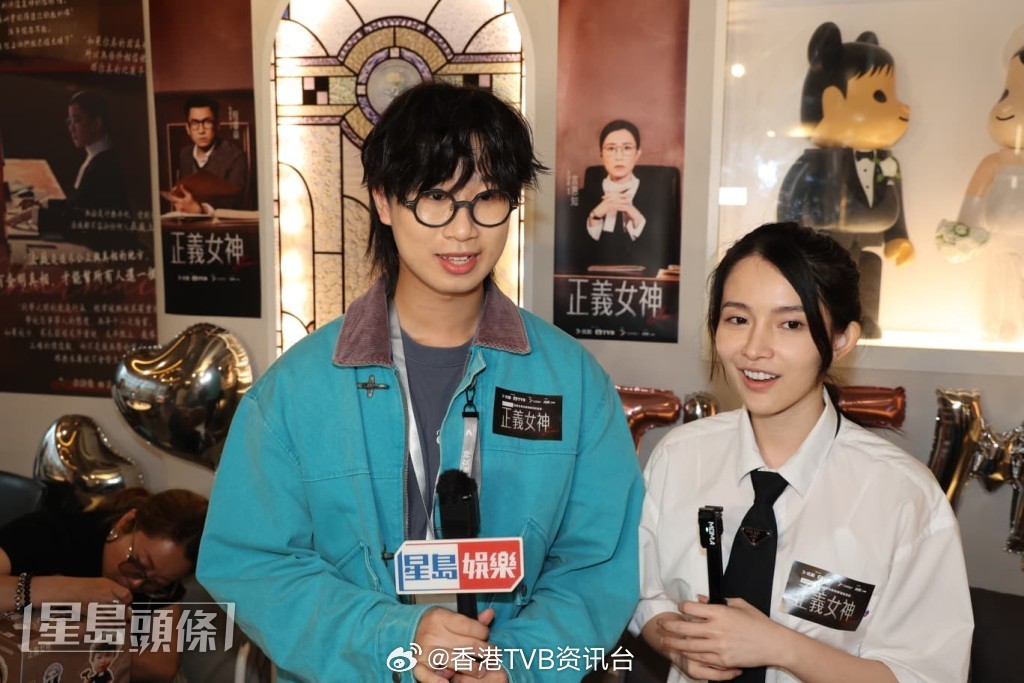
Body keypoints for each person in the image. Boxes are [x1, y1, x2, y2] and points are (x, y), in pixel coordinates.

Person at [197, 81, 643, 682]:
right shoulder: (296, 390)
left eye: (488, 198)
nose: (463, 230)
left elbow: (599, 564)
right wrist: (395, 638)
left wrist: (514, 664)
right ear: (383, 201)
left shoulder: (573, 382)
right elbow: (251, 563)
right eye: (435, 197)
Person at [631, 222, 972, 682]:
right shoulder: (680, 456)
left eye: (791, 324)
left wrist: (780, 646)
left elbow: (927, 675)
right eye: (737, 319)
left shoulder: (902, 495)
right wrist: (678, 645)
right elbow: (646, 595)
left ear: (841, 340)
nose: (755, 349)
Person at [777, 22, 915, 339]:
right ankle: (830, 322)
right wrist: (786, 238)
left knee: (869, 270)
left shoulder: (886, 163)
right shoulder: (815, 163)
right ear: (832, 102)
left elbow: (897, 201)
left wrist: (898, 236)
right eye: (881, 96)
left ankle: (865, 320)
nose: (902, 108)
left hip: (870, 237)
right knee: (831, 276)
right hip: (829, 237)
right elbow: (791, 197)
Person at [0, 487, 209, 683]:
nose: (136, 583)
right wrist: (68, 590)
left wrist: (89, 644)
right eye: (137, 563)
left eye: (155, 583)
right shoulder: (49, 532)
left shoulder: (161, 590)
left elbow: (161, 666)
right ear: (126, 523)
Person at [572, 120, 680, 276]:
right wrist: (595, 216)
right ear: (601, 154)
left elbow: (670, 255)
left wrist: (636, 217)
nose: (619, 156)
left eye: (627, 148)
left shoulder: (659, 197)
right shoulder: (581, 198)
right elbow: (573, 258)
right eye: (611, 149)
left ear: (637, 154)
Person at [166, 94, 248, 214]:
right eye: (195, 123)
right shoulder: (185, 154)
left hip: (222, 224)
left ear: (217, 126)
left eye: (207, 122)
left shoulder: (235, 156)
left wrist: (201, 209)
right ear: (187, 128)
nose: (201, 130)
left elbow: (237, 202)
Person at [64, 90, 128, 211]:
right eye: (69, 122)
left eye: (77, 120)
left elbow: (79, 212)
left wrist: (40, 213)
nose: (71, 128)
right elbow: (76, 202)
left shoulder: (104, 165)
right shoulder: (94, 156)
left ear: (97, 123)